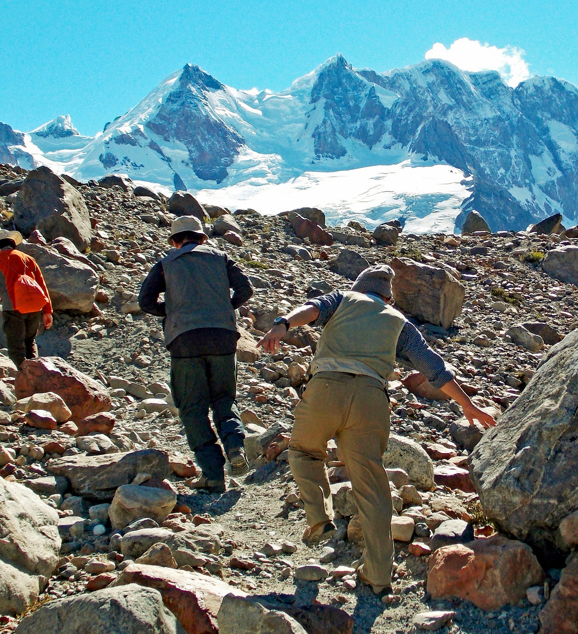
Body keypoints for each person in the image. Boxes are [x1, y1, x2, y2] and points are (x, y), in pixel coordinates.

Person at [258, 264, 496, 595]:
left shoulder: (344, 299)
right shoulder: (401, 323)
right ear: (388, 296)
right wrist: (467, 405)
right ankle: (379, 574)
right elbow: (433, 367)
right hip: (371, 401)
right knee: (371, 484)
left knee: (303, 451)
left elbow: (312, 310)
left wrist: (283, 324)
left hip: (325, 388)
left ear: (360, 286)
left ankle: (319, 519)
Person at [138, 215, 254, 493]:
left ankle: (213, 475)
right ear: (202, 237)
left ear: (176, 241)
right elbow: (246, 289)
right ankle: (235, 446)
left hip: (185, 341)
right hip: (223, 337)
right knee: (224, 399)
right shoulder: (221, 258)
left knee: (193, 408)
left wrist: (172, 312)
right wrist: (225, 307)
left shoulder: (167, 263)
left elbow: (145, 302)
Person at [0, 230, 52, 367]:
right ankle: (35, 374)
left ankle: (22, 378)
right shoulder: (29, 259)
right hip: (35, 308)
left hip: (13, 310)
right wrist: (47, 311)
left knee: (16, 347)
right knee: (30, 342)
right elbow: (42, 286)